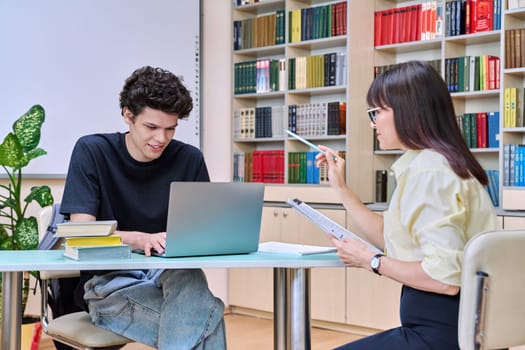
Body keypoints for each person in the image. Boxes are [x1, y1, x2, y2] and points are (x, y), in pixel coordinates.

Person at [316, 60, 497, 350]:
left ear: (408, 110)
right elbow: (391, 234)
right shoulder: (436, 163)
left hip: (439, 336)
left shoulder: (430, 171)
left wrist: (371, 261)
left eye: (377, 112)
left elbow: (444, 279)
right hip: (454, 332)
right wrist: (342, 189)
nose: (373, 123)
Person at [59, 66, 226, 349]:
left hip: (173, 279)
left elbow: (203, 233)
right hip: (110, 285)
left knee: (189, 278)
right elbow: (80, 233)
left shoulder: (189, 159)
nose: (161, 139)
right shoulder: (92, 151)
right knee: (209, 317)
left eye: (170, 128)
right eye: (151, 127)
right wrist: (139, 239)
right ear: (128, 115)